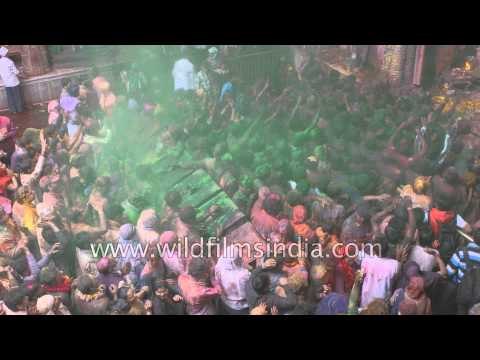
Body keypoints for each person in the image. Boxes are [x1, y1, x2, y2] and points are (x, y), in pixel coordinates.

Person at [214, 245, 250, 315]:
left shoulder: (219, 265)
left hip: (226, 301)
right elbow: (247, 292)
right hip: (241, 305)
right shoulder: (243, 275)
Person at [0, 47, 23, 113]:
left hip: (6, 83)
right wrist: (23, 75)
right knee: (17, 97)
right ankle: (19, 110)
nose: (9, 53)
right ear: (6, 53)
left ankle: (13, 111)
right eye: (8, 52)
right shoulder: (9, 61)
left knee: (10, 98)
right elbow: (16, 72)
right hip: (14, 82)